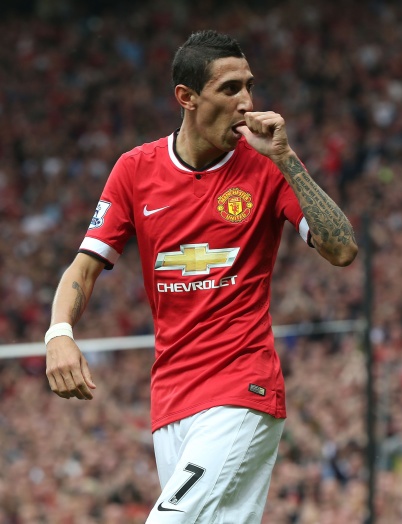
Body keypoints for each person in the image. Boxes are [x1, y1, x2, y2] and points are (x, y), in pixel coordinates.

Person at [44, 29, 357, 523]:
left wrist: (286, 160)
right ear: (186, 97)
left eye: (249, 86)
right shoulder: (135, 170)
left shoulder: (266, 167)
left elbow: (341, 250)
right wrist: (59, 333)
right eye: (229, 89)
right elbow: (83, 267)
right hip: (171, 399)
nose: (246, 102)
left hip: (241, 389)